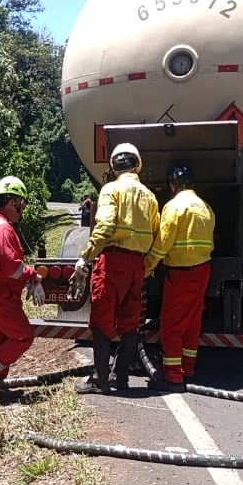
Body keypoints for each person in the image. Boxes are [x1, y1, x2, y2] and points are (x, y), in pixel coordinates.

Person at [72, 143, 159, 395]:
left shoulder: (111, 189)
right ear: (137, 165)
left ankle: (100, 379)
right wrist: (146, 266)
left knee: (101, 321)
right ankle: (121, 378)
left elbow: (106, 225)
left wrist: (85, 257)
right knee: (130, 323)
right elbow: (156, 233)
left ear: (113, 166)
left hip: (112, 262)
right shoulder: (149, 196)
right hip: (136, 265)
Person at [144, 164, 215, 390]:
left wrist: (147, 267)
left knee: (172, 324)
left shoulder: (174, 207)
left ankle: (173, 376)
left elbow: (162, 244)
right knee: (192, 322)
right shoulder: (206, 208)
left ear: (173, 186)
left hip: (181, 273)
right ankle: (188, 368)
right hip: (203, 270)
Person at [0, 176, 44, 399]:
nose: (22, 210)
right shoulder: (3, 229)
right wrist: (34, 277)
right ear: (13, 203)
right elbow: (12, 268)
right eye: (21, 205)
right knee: (23, 336)